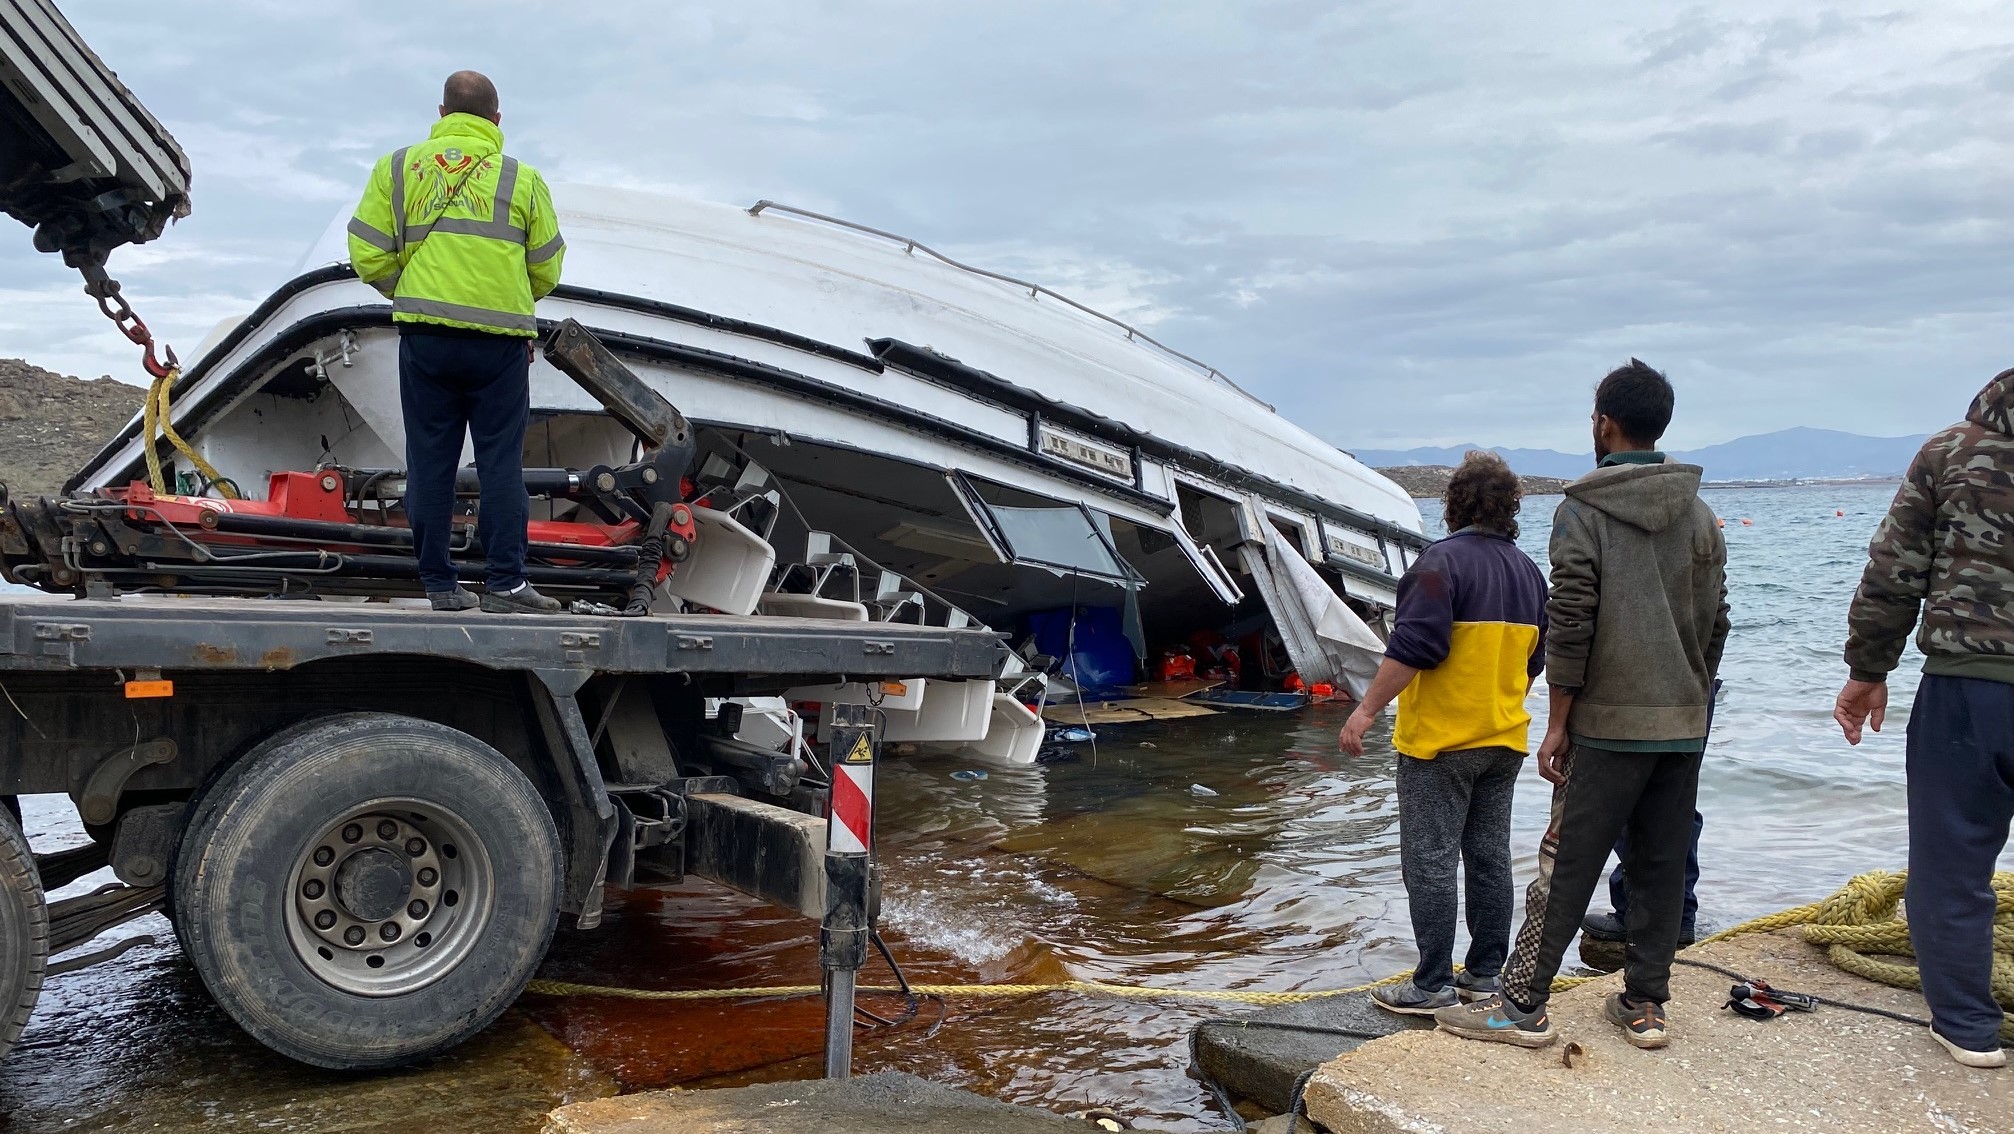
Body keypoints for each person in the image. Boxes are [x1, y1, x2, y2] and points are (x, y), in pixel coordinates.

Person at [1436, 359, 1729, 1051]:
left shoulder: (1582, 511)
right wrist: (1691, 693)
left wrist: (1559, 721)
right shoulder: (1700, 515)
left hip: (1607, 725)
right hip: (1684, 722)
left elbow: (1569, 624)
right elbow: (1717, 621)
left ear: (1605, 423)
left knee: (1566, 866)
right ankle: (1646, 1006)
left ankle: (1521, 1007)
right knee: (1660, 863)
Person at [1834, 369, 2014, 1069]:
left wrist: (1868, 671)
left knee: (1951, 862)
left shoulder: (1950, 452)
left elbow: (1894, 570)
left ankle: (1968, 1027)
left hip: (1969, 688)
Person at [347, 70, 567, 614]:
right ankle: (506, 584)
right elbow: (547, 267)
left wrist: (416, 291)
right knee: (500, 464)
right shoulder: (522, 178)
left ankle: (440, 585)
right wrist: (507, 299)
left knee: (429, 464)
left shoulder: (396, 169)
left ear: (442, 115)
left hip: (427, 339)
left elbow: (368, 253)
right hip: (500, 344)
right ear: (497, 120)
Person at [1339, 452, 1547, 1015]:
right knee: (1489, 860)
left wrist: (1364, 711)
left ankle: (1431, 985)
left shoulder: (1438, 564)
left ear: (1454, 504)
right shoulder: (1529, 573)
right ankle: (1484, 976)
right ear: (1510, 508)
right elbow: (1534, 662)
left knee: (1430, 861)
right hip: (1502, 741)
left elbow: (1415, 649)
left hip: (1439, 745)